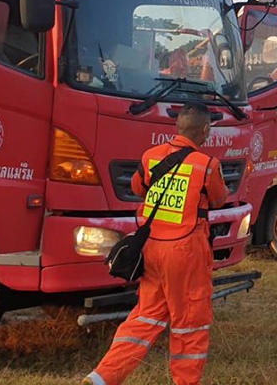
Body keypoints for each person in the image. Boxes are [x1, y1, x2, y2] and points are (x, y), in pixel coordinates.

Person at [84, 103, 228, 385]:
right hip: (186, 252)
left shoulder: (151, 157)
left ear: (178, 127)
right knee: (190, 324)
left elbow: (138, 188)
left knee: (144, 318)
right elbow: (219, 199)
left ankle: (102, 377)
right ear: (206, 130)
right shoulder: (207, 165)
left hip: (151, 250)